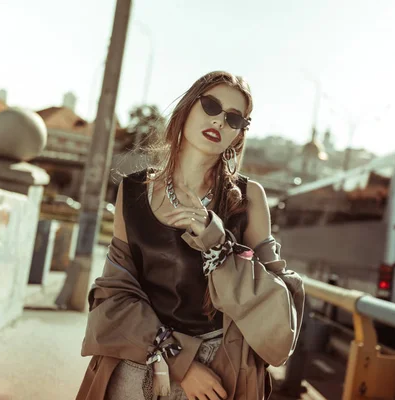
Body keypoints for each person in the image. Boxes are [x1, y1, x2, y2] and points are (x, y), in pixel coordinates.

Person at [77, 71, 305, 400]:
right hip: (138, 361)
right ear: (187, 107)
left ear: (239, 134)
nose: (220, 121)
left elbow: (278, 313)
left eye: (234, 118)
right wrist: (180, 361)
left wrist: (218, 247)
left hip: (218, 374)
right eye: (211, 106)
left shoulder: (250, 198)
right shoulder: (132, 190)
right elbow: (114, 295)